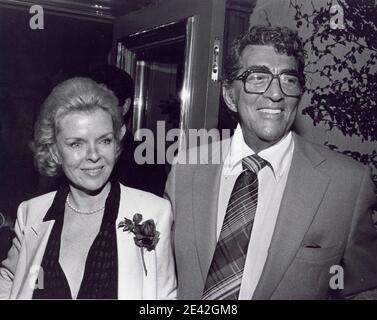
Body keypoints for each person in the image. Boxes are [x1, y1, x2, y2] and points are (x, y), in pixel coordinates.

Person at [164, 26, 377, 300]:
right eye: (258, 77)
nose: (276, 93)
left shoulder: (347, 184)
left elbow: (365, 288)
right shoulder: (187, 169)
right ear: (230, 96)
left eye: (288, 79)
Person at [0, 77, 176, 299]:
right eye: (77, 144)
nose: (94, 155)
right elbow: (10, 279)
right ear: (54, 151)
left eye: (104, 141)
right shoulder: (31, 214)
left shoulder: (154, 213)